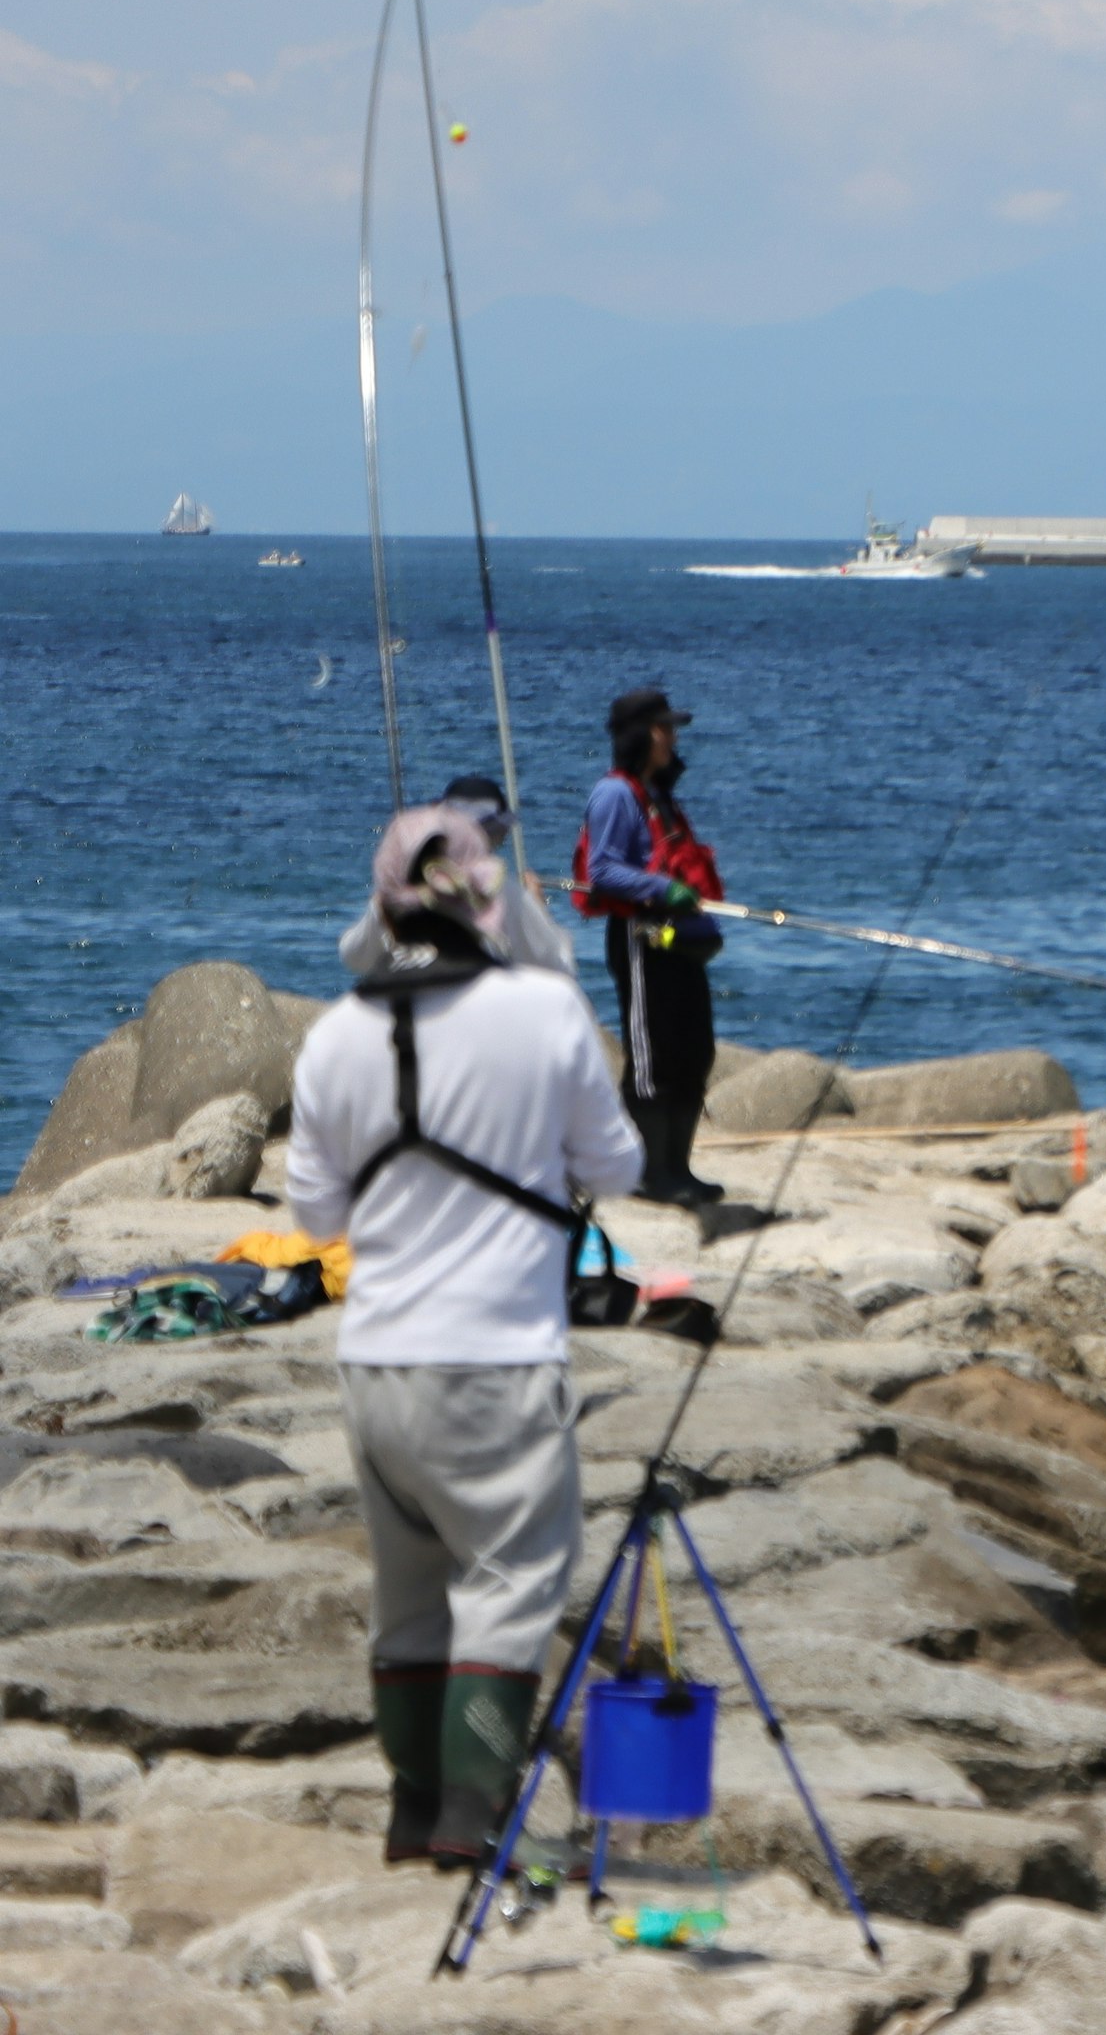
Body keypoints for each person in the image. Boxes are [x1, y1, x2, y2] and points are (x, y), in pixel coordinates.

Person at [287, 802, 642, 1866]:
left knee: (409, 1601)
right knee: (509, 1581)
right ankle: (470, 1821)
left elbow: (313, 1218)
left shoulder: (336, 1031)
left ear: (386, 901)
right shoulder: (543, 1011)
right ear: (488, 893)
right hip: (499, 1358)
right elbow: (618, 1166)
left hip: (376, 1367)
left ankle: (410, 1811)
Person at [575, 689, 725, 1208]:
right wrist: (665, 891)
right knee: (651, 1058)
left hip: (679, 941)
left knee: (694, 1050)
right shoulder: (615, 795)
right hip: (642, 940)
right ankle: (648, 1172)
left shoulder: (658, 795)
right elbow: (603, 868)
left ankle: (679, 1168)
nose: (673, 738)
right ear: (642, 734)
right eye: (665, 729)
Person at [338, 774, 576, 984]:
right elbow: (558, 966)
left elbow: (354, 956)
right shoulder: (507, 894)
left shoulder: (397, 895)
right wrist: (538, 909)